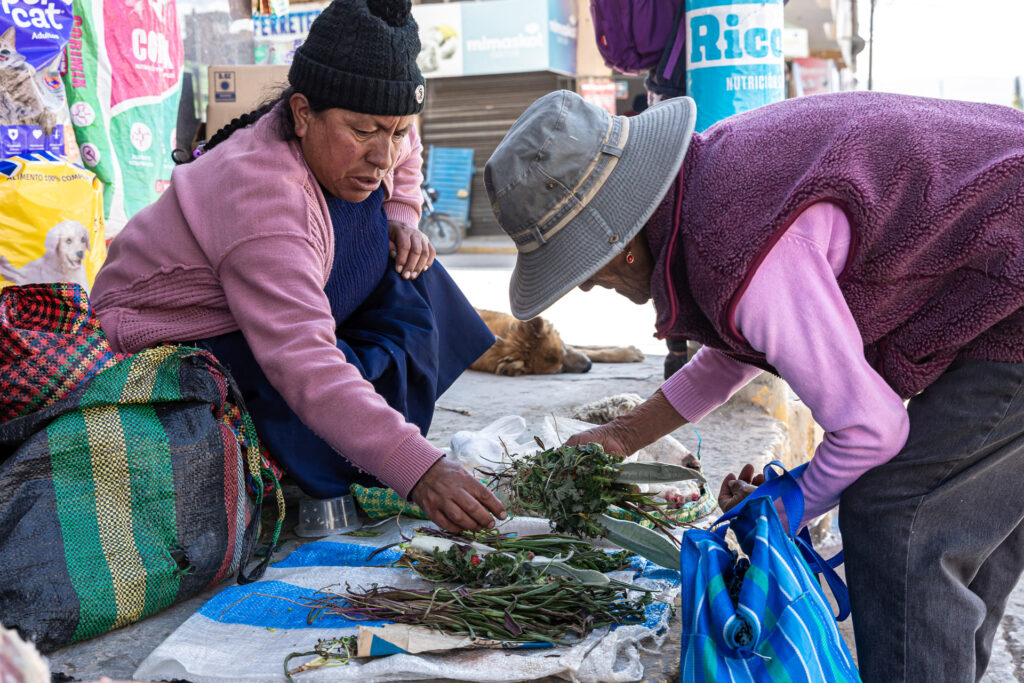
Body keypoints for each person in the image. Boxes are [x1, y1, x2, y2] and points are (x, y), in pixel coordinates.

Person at [483, 88, 1024, 682]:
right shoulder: (711, 192)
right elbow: (738, 347)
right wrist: (620, 436)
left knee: (899, 517)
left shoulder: (733, 249)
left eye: (582, 263)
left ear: (622, 238)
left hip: (1013, 288)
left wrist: (784, 502)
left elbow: (872, 429)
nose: (585, 286)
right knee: (964, 532)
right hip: (1004, 266)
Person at [90, 0, 506, 534]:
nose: (384, 156)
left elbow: (405, 141)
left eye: (395, 131)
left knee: (415, 276)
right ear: (303, 113)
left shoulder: (370, 137)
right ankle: (326, 464)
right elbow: (304, 361)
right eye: (363, 132)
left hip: (280, 293)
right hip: (180, 336)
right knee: (300, 388)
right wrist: (418, 469)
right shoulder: (266, 199)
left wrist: (403, 214)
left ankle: (366, 443)